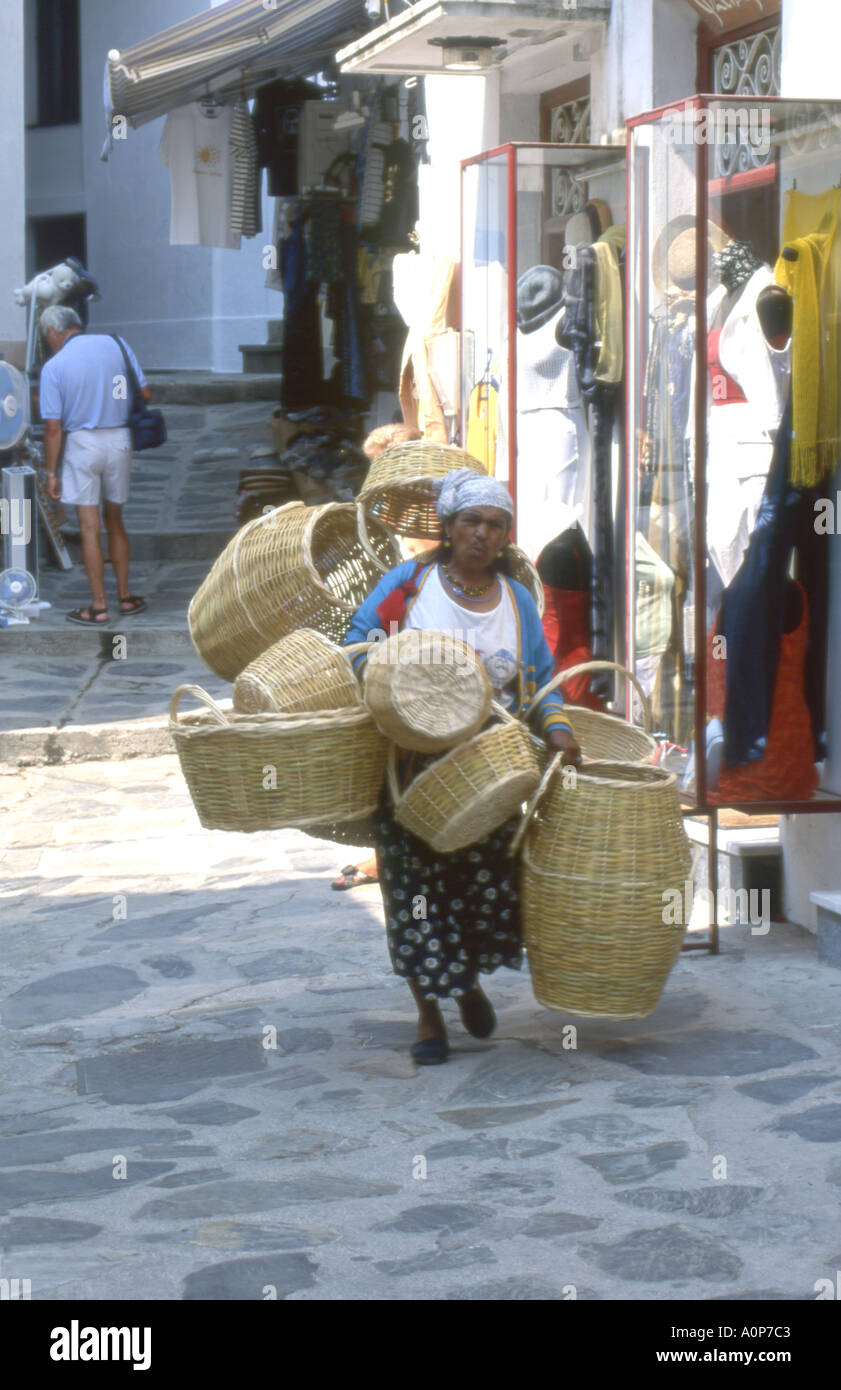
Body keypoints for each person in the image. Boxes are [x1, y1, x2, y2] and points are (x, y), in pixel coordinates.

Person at [344, 467, 582, 1064]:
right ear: (448, 528)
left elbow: (538, 682)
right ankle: (429, 1014)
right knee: (415, 894)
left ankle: (466, 981)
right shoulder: (411, 583)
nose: (482, 533)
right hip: (410, 770)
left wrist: (556, 727)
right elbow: (354, 646)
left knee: (483, 889)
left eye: (494, 525)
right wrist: (390, 678)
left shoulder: (517, 600)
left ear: (505, 537)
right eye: (471, 521)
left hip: (489, 771)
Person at [331, 420, 421, 892]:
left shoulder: (426, 523)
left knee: (406, 759)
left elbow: (413, 593)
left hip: (425, 665)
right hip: (399, 651)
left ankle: (394, 855)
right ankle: (386, 851)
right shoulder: (399, 514)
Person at [38, 304, 151, 625]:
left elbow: (53, 428)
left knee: (90, 528)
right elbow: (144, 392)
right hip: (119, 439)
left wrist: (50, 474)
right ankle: (125, 598)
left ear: (53, 332)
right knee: (115, 520)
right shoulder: (115, 344)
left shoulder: (55, 366)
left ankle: (99, 606)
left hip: (83, 444)